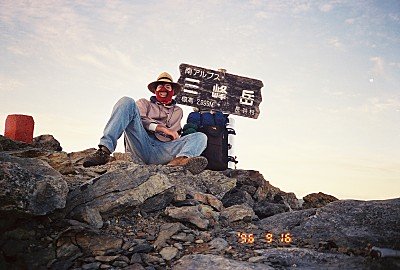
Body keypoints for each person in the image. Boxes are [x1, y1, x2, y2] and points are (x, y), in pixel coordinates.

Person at [82, 71, 208, 174]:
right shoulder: (144, 103)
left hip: (163, 150)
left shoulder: (178, 111)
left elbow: (174, 135)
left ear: (173, 92)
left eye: (168, 87)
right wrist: (161, 128)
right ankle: (104, 150)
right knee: (126, 101)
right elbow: (141, 119)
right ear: (155, 91)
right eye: (160, 86)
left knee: (200, 137)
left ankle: (179, 163)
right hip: (141, 144)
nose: (163, 89)